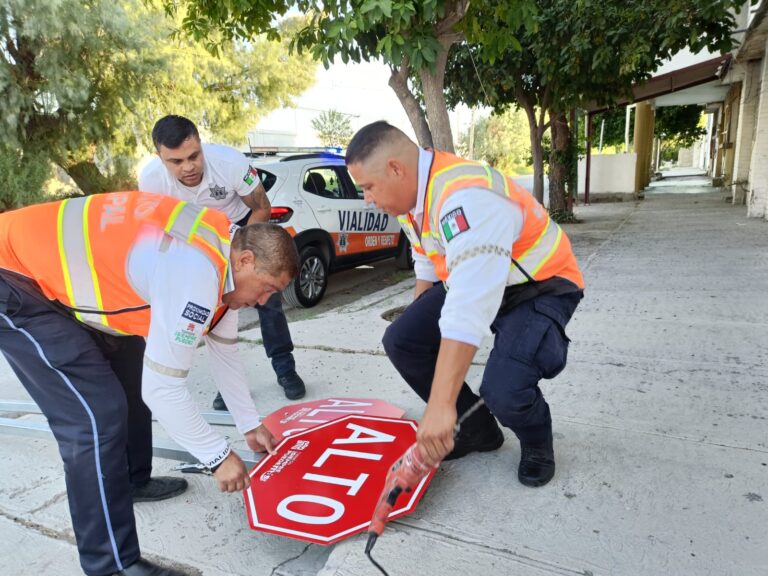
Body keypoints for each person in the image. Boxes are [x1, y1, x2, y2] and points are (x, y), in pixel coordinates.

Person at [0, 191, 297, 575]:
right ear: (245, 260)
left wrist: (248, 424)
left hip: (47, 276)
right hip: (14, 278)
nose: (263, 302)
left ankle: (132, 480)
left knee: (130, 365)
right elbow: (161, 390)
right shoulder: (195, 273)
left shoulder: (223, 252)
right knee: (96, 416)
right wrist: (217, 456)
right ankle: (111, 566)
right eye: (268, 289)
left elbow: (225, 351)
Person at [346, 121, 584, 488]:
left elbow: (470, 306)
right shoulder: (410, 199)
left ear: (396, 169)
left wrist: (440, 404)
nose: (367, 199)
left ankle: (537, 442)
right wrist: (419, 320)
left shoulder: (466, 196)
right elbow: (426, 257)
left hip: (539, 284)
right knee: (402, 339)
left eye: (368, 187)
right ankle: (478, 431)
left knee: (503, 388)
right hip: (478, 277)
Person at [139, 115, 306, 405]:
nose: (188, 167)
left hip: (241, 228)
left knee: (267, 298)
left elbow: (262, 208)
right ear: (160, 157)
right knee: (214, 315)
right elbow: (157, 229)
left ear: (201, 144)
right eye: (176, 162)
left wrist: (238, 257)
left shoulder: (230, 163)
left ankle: (285, 368)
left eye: (194, 156)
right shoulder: (150, 179)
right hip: (194, 238)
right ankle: (226, 386)